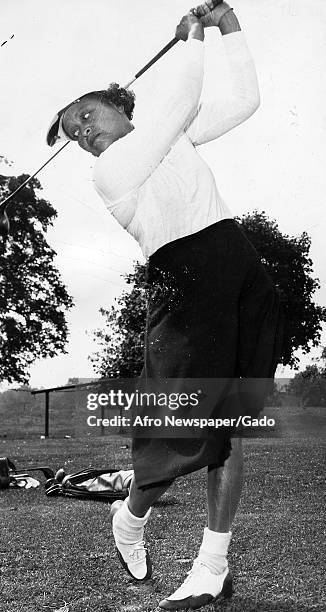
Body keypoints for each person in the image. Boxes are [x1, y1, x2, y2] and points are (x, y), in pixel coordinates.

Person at [46, 1, 282, 610]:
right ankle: (130, 518)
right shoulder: (115, 169)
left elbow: (246, 100)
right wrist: (193, 36)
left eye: (85, 116)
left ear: (120, 106)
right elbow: (177, 102)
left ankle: (212, 566)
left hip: (237, 269)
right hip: (184, 287)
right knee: (177, 437)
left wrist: (227, 26)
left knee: (230, 430)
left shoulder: (168, 136)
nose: (82, 135)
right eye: (74, 135)